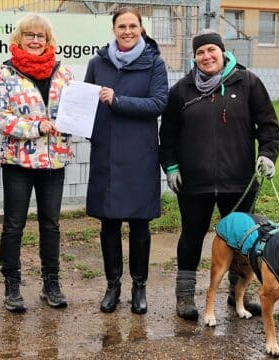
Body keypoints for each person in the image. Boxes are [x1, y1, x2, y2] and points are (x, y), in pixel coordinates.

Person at [159, 29, 279, 321]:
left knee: (243, 240)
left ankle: (239, 293)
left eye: (211, 50)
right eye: (200, 52)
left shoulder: (248, 82)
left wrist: (267, 154)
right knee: (192, 235)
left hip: (239, 181)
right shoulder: (181, 91)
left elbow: (268, 125)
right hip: (194, 183)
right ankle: (185, 295)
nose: (206, 56)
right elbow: (168, 135)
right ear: (194, 57)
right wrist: (172, 167)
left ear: (223, 52)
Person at [84, 7, 168, 315]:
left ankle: (139, 287)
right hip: (106, 153)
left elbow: (158, 103)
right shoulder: (97, 63)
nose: (127, 31)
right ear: (114, 29)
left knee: (139, 225)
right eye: (122, 26)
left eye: (133, 25)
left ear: (141, 28)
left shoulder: (154, 63)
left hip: (139, 156)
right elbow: (87, 104)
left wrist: (117, 100)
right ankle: (113, 286)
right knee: (108, 224)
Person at [0, 14, 73, 313]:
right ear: (19, 39)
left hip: (53, 161)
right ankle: (12, 285)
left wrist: (77, 122)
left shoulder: (64, 73)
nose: (35, 40)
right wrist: (35, 128)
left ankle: (51, 283)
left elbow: (74, 112)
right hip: (18, 162)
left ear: (48, 40)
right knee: (14, 225)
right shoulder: (6, 73)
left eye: (40, 36)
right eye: (29, 35)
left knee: (50, 224)